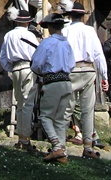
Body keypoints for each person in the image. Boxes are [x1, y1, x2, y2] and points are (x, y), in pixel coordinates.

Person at [58, 0, 108, 160]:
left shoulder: (65, 31)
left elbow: (60, 54)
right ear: (83, 16)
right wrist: (104, 77)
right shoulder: (89, 31)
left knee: (66, 109)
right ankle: (88, 146)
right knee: (87, 110)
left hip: (70, 71)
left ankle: (60, 147)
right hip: (88, 70)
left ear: (71, 15)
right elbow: (99, 55)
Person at [30, 13, 75, 164]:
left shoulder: (47, 43)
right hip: (67, 83)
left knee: (45, 116)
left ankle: (56, 146)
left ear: (49, 27)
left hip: (52, 83)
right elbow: (72, 64)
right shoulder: (66, 44)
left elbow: (36, 64)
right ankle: (62, 153)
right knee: (60, 119)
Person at [0, 8, 40, 151]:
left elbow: (3, 57)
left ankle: (21, 137)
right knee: (28, 103)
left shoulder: (8, 35)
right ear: (28, 22)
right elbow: (37, 54)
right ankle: (25, 139)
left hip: (16, 69)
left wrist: (11, 69)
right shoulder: (29, 35)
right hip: (29, 68)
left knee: (20, 104)